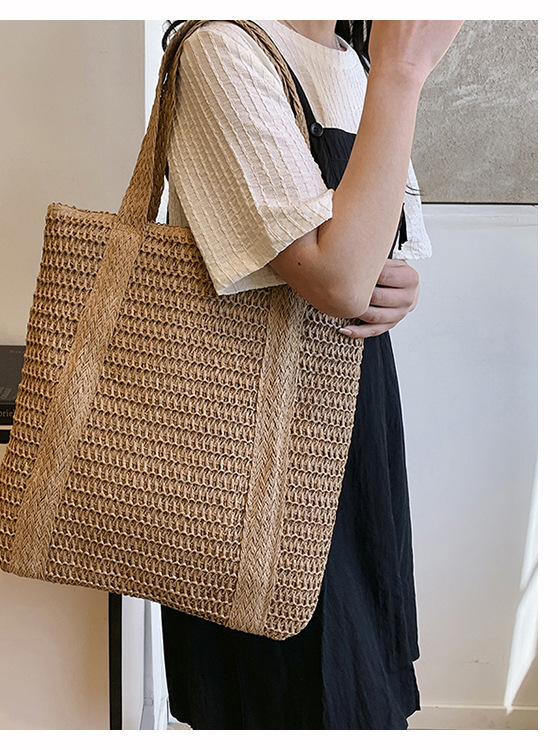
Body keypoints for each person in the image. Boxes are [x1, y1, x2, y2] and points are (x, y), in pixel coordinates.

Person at [159, 19, 463, 730]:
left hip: (355, 416)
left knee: (357, 682)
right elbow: (335, 278)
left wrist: (398, 289)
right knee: (286, 695)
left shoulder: (351, 61)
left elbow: (370, 256)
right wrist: (402, 73)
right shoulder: (222, 47)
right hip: (260, 441)